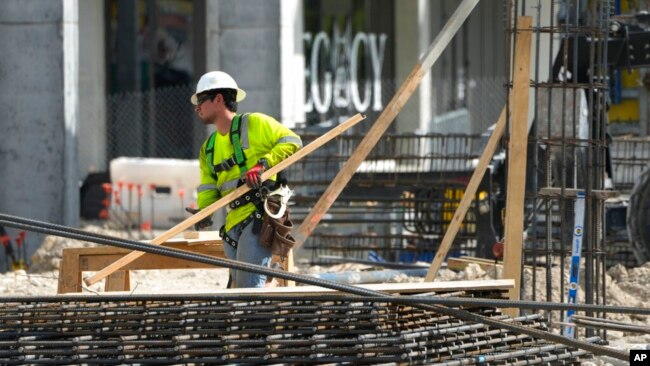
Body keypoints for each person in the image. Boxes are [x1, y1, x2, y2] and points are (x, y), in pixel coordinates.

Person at [189, 71, 302, 288]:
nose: (197, 107)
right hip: (232, 226)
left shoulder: (255, 124)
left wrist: (263, 165)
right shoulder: (208, 148)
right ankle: (270, 280)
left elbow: (292, 141)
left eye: (201, 100)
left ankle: (267, 284)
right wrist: (205, 211)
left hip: (258, 216)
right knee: (240, 288)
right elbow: (208, 188)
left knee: (248, 291)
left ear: (219, 99)